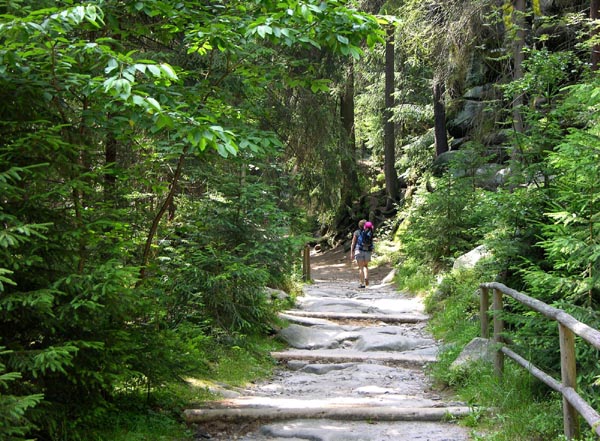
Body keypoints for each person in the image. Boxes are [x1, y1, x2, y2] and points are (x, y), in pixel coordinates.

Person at [350, 219, 374, 288]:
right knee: (365, 266)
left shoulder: (356, 232)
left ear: (359, 225)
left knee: (360, 268)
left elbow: (353, 243)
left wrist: (352, 252)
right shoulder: (370, 232)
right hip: (368, 251)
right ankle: (366, 279)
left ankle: (362, 283)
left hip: (359, 250)